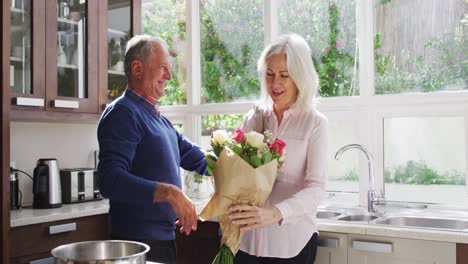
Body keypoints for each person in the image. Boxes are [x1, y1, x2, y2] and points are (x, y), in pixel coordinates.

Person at [97, 35, 207, 264]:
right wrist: (170, 193)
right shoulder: (123, 113)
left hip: (162, 241)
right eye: (163, 68)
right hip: (136, 245)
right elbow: (109, 179)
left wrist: (243, 158)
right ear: (137, 69)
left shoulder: (158, 120)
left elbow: (198, 159)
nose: (169, 76)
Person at [228, 33, 328, 264]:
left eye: (284, 75)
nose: (275, 84)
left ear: (300, 78)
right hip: (246, 242)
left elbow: (316, 188)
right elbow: (236, 172)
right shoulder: (254, 117)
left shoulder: (315, 123)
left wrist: (275, 214)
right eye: (270, 75)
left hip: (291, 244)